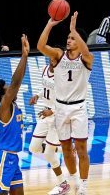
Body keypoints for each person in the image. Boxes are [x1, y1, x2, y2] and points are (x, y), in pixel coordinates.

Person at [37, 11, 94, 195]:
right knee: (67, 149)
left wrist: (73, 29)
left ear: (80, 40)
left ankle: (84, 186)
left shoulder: (86, 59)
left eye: (72, 38)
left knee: (81, 149)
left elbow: (86, 51)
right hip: (60, 107)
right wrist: (50, 24)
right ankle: (74, 179)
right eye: (68, 37)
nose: (68, 40)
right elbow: (40, 46)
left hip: (78, 107)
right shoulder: (59, 55)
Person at [0, 34, 29, 195]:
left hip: (13, 158)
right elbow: (16, 82)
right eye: (8, 88)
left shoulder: (13, 105)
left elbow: (16, 84)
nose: (12, 90)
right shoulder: (4, 106)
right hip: (3, 157)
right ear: (3, 94)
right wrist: (24, 55)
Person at [28, 60, 70, 195]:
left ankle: (63, 184)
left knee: (48, 154)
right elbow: (46, 89)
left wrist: (52, 111)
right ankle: (61, 148)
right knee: (33, 147)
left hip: (57, 116)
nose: (53, 62)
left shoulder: (63, 77)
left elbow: (66, 102)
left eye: (56, 60)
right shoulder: (45, 69)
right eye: (51, 59)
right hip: (45, 113)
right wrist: (37, 96)